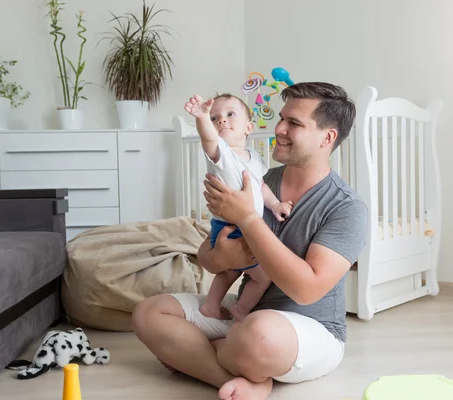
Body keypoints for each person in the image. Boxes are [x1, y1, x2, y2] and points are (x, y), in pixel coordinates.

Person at [132, 82, 368, 400]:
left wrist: (248, 219)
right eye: (282, 118)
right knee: (149, 313)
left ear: (327, 138)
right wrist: (226, 256)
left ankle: (198, 357)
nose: (280, 128)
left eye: (294, 123)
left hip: (305, 329)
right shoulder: (255, 178)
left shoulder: (346, 207)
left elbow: (306, 289)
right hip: (246, 314)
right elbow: (207, 258)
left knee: (259, 335)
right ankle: (249, 380)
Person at [183, 93, 293, 322]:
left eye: (230, 114)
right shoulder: (221, 154)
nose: (221, 120)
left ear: (248, 127)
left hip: (245, 224)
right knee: (261, 277)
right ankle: (239, 310)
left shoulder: (254, 157)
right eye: (215, 118)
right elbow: (209, 140)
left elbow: (260, 186)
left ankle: (212, 307)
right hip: (230, 225)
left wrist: (275, 205)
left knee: (231, 271)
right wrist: (202, 117)